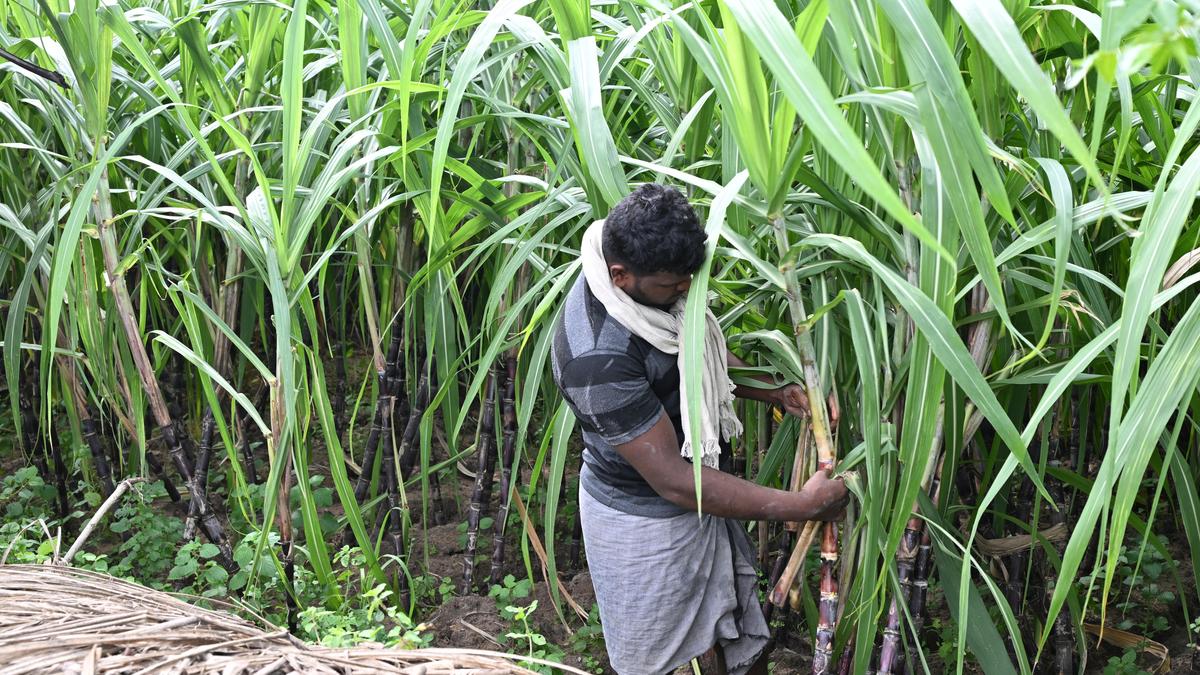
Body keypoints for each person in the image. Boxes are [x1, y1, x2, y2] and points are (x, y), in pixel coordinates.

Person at [551, 183, 849, 675]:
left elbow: (695, 352)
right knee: (655, 660)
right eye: (674, 286)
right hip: (643, 524)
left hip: (702, 494)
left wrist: (773, 388)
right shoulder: (596, 359)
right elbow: (673, 479)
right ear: (620, 276)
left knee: (731, 636)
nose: (687, 292)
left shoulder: (644, 282)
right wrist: (802, 505)